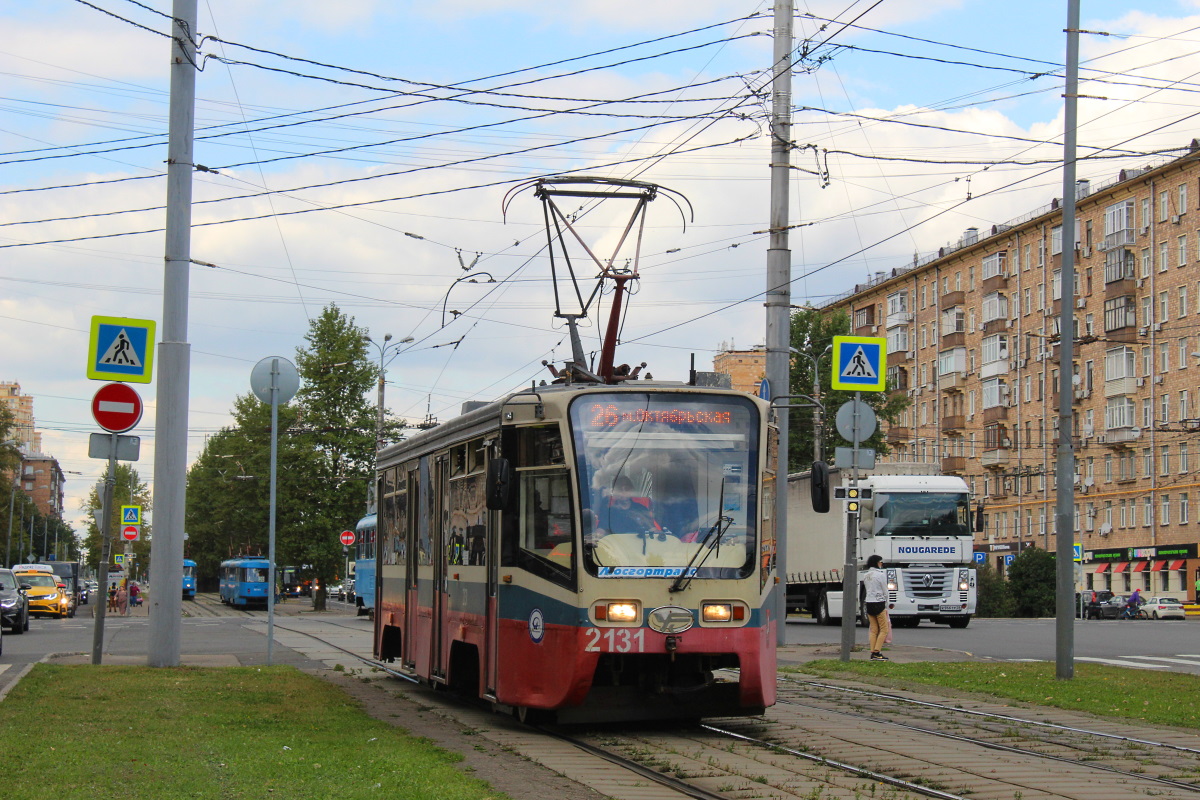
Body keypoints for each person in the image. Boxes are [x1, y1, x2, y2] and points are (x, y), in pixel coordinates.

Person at [595, 475, 662, 537]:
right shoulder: (608, 512)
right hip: (615, 548)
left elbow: (652, 529)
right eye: (620, 490)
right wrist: (597, 535)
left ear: (631, 491)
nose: (624, 492)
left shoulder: (641, 509)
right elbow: (601, 530)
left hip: (639, 548)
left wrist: (660, 534)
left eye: (627, 489)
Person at [864, 554, 891, 661]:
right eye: (880, 562)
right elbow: (885, 590)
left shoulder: (866, 575)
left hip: (869, 602)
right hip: (879, 602)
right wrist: (887, 603)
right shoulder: (880, 575)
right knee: (884, 629)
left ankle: (872, 651)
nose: (881, 564)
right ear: (876, 563)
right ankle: (877, 652)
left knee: (874, 629)